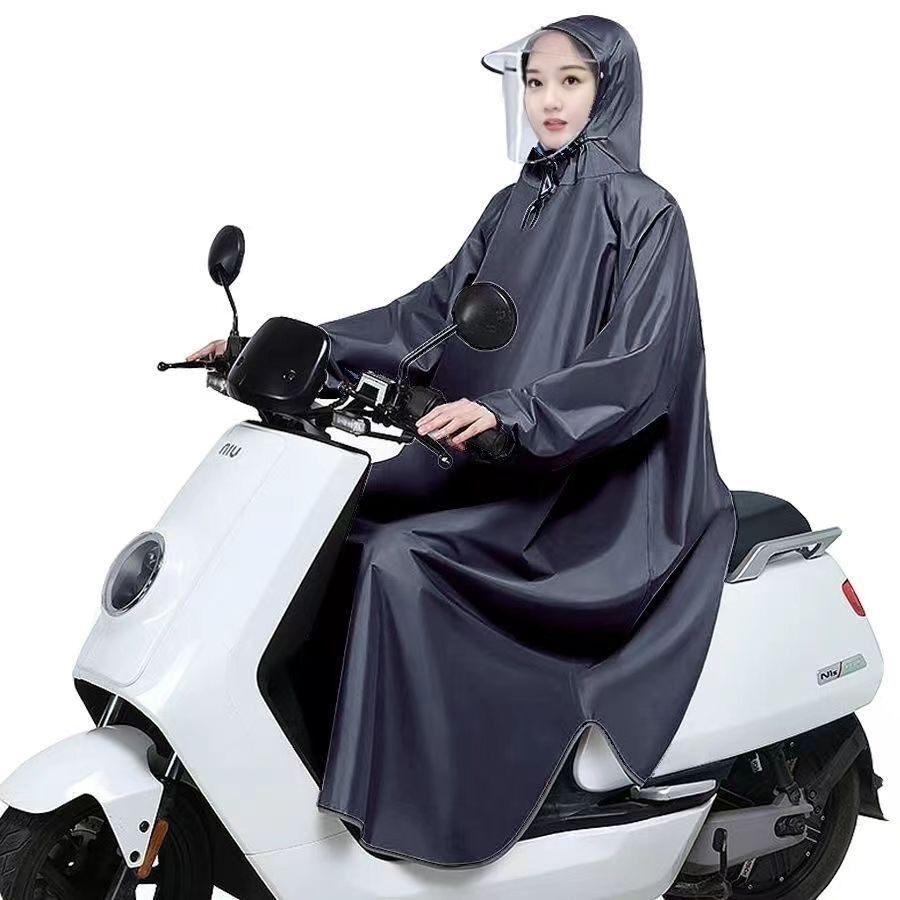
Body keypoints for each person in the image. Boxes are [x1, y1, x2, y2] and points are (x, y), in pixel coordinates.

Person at [189, 15, 737, 870]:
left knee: (399, 562)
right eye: (535, 81)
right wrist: (282, 345)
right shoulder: (516, 204)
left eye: (571, 81)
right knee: (337, 531)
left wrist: (513, 414)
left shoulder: (646, 211)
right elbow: (427, 317)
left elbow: (637, 367)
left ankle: (428, 810)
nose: (548, 100)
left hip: (597, 499)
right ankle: (315, 772)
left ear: (611, 90)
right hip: (494, 469)